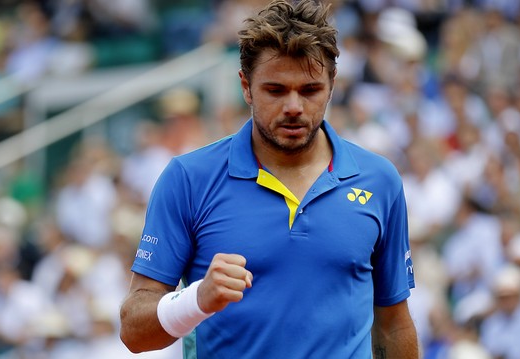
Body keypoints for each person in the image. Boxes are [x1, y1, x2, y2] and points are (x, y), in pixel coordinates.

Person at [119, 1, 418, 358]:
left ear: (332, 85)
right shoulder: (187, 179)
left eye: (310, 90)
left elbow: (393, 322)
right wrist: (196, 300)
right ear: (246, 87)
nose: (294, 106)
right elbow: (134, 332)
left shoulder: (379, 180)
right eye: (275, 90)